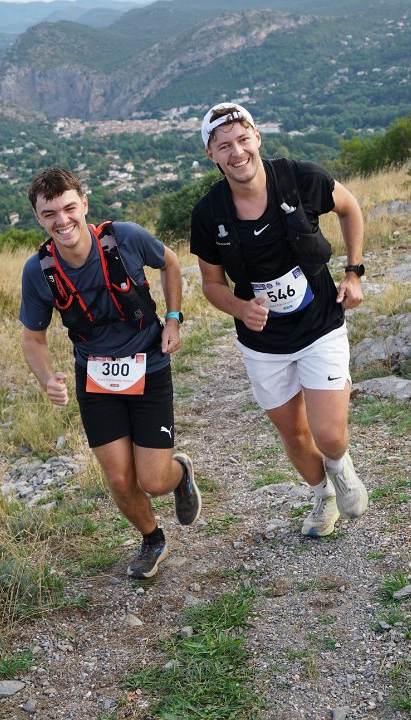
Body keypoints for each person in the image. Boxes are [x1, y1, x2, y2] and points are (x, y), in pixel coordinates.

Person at [190, 103, 368, 538]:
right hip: (263, 343)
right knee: (295, 436)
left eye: (242, 139)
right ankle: (323, 495)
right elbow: (211, 284)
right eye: (224, 146)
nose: (237, 152)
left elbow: (350, 208)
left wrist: (354, 272)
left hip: (320, 323)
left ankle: (340, 465)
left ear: (257, 137)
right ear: (211, 155)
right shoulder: (208, 213)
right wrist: (240, 308)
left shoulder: (300, 178)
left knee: (329, 435)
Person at [20, 167, 201, 579]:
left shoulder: (126, 238)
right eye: (50, 214)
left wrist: (173, 319)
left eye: (69, 208)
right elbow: (33, 340)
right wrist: (47, 379)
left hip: (149, 367)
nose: (62, 220)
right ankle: (153, 539)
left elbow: (170, 263)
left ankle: (179, 474)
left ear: (84, 204)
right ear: (38, 218)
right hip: (95, 379)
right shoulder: (39, 271)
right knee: (120, 480)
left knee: (153, 480)